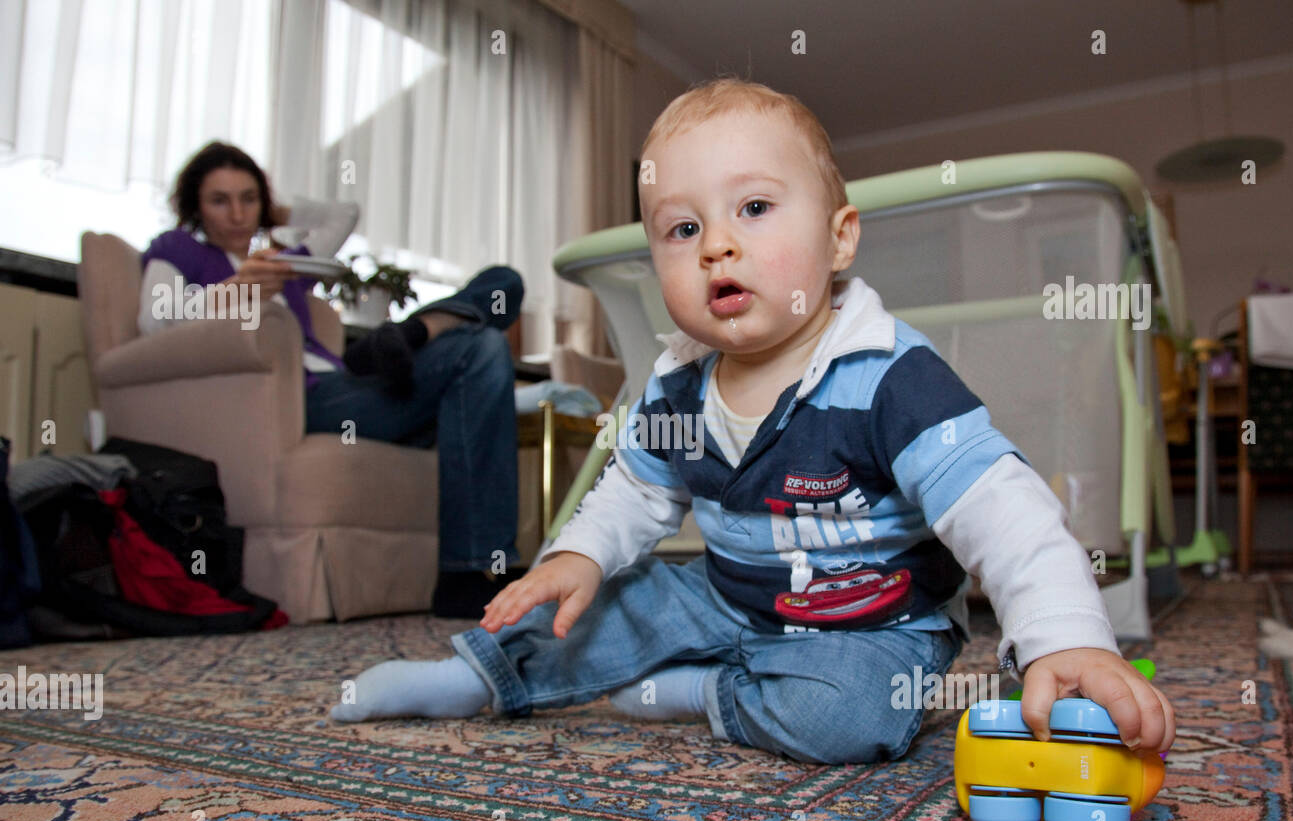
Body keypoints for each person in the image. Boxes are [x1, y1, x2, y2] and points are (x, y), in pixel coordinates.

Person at [331, 79, 1176, 767]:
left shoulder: (889, 376)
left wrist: (1068, 636)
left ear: (840, 239)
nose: (716, 247)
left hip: (874, 622)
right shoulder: (676, 385)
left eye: (756, 209)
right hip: (728, 592)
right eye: (684, 227)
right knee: (589, 605)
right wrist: (581, 556)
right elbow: (635, 492)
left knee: (849, 715)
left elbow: (1003, 505)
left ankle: (705, 693)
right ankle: (474, 679)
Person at [138, 141, 522, 616]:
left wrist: (272, 212)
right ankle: (471, 572)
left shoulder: (287, 265)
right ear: (195, 205)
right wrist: (237, 289)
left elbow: (343, 214)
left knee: (504, 284)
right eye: (220, 200)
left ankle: (416, 331)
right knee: (482, 346)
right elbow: (154, 319)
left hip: (364, 385)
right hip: (315, 399)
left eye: (248, 198)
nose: (237, 213)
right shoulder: (179, 251)